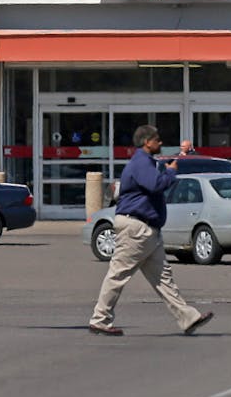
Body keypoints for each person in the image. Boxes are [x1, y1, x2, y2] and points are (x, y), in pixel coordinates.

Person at [89, 124, 214, 337]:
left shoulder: (146, 163)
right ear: (147, 142)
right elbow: (155, 185)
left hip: (147, 230)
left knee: (163, 278)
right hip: (136, 227)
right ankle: (100, 319)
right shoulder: (140, 162)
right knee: (118, 274)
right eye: (157, 140)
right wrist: (171, 172)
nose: (161, 143)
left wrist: (165, 169)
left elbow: (153, 182)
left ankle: (188, 318)